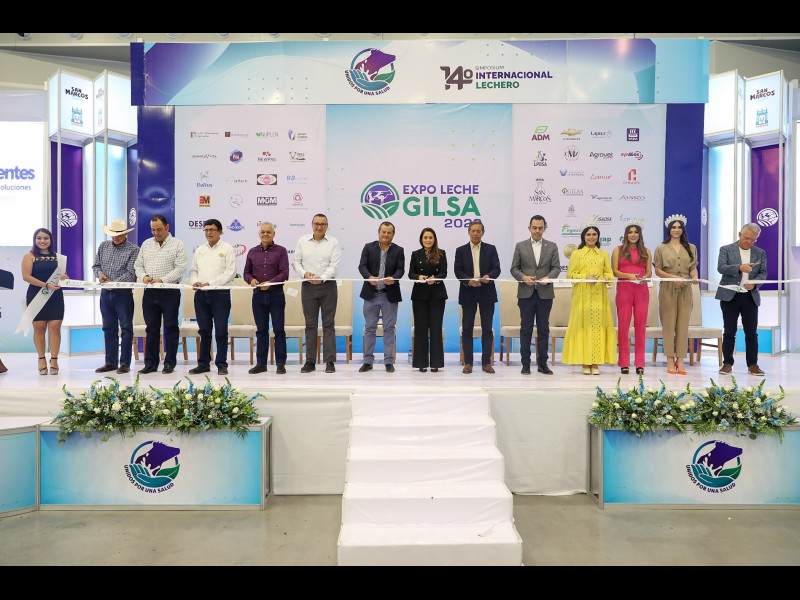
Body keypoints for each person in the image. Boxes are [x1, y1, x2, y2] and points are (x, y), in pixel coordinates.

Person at [133, 214, 188, 375]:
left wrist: (162, 280)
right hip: (149, 292)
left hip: (169, 291)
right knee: (151, 328)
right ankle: (150, 363)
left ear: (167, 228)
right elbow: (138, 265)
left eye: (159, 229)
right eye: (153, 230)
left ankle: (169, 363)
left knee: (170, 327)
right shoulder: (146, 244)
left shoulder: (178, 244)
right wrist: (144, 276)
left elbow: (180, 268)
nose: (156, 233)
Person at [562, 224, 616, 375]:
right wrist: (585, 277)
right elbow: (570, 275)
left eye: (594, 234)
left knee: (598, 327)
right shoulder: (576, 254)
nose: (591, 237)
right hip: (582, 295)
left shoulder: (603, 254)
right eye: (588, 234)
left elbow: (610, 275)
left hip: (599, 295)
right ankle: (585, 362)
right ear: (583, 237)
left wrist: (606, 277)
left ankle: (596, 363)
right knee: (584, 327)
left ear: (598, 237)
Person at [510, 215, 561, 375]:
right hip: (526, 294)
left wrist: (548, 278)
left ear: (544, 228)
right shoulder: (520, 246)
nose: (537, 230)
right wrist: (523, 277)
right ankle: (525, 364)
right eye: (534, 227)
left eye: (540, 228)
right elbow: (514, 269)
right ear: (529, 228)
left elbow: (556, 268)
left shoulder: (552, 246)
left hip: (545, 294)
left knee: (543, 329)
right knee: (526, 329)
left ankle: (543, 364)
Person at [716, 223, 767, 377]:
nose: (749, 242)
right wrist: (739, 267)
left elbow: (763, 273)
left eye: (753, 239)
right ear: (740, 234)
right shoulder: (726, 249)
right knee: (729, 331)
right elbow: (721, 267)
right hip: (729, 295)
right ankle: (727, 363)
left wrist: (755, 284)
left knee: (751, 332)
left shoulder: (760, 253)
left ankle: (752, 365)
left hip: (750, 297)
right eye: (746, 238)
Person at [293, 213, 342, 373]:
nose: (319, 227)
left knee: (328, 324)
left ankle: (330, 361)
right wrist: (306, 274)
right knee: (310, 325)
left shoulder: (334, 242)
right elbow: (296, 263)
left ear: (327, 226)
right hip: (308, 286)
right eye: (316, 224)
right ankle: (310, 362)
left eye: (323, 224)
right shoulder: (302, 241)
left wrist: (322, 278)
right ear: (312, 224)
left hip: (328, 286)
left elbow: (334, 265)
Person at [187, 218, 236, 376]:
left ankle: (221, 364)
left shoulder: (227, 249)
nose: (209, 233)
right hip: (201, 295)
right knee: (204, 331)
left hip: (220, 294)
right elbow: (193, 271)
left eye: (212, 230)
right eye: (206, 230)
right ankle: (203, 364)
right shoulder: (200, 250)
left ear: (220, 232)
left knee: (221, 331)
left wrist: (210, 283)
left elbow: (230, 272)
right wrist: (195, 282)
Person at [92, 218, 140, 375]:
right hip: (106, 293)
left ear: (125, 234)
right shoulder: (103, 246)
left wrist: (114, 283)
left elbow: (131, 273)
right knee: (108, 327)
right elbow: (96, 266)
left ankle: (125, 363)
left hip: (123, 293)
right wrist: (100, 275)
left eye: (119, 234)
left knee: (126, 328)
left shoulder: (134, 250)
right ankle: (110, 362)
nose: (116, 237)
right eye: (113, 234)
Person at [653, 214, 699, 375]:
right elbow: (658, 270)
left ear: (683, 229)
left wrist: (694, 277)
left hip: (686, 288)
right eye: (673, 227)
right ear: (669, 229)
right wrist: (672, 277)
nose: (676, 230)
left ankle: (680, 359)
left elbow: (692, 268)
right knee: (668, 324)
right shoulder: (661, 248)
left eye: (679, 227)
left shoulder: (691, 247)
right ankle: (670, 359)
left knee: (683, 324)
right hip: (667, 289)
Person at [453, 219, 501, 374]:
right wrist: (468, 281)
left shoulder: (491, 249)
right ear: (468, 232)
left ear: (483, 233)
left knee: (487, 329)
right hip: (468, 292)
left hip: (487, 292)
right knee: (467, 329)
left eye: (478, 231)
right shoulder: (460, 250)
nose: (475, 233)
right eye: (473, 231)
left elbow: (497, 269)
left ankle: (486, 363)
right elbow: (458, 271)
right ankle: (468, 363)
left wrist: (489, 276)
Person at [358, 221, 405, 373]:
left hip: (389, 295)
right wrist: (369, 277)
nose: (386, 234)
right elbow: (362, 266)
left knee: (389, 329)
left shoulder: (399, 250)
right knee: (370, 328)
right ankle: (367, 361)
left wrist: (394, 278)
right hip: (370, 295)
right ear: (379, 232)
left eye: (389, 232)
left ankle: (389, 362)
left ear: (393, 235)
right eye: (383, 232)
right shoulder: (368, 247)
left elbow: (401, 269)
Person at [21, 227, 68, 375]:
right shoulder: (29, 256)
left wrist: (64, 277)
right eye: (39, 238)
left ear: (50, 240)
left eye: (45, 238)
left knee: (55, 327)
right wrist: (46, 285)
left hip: (55, 296)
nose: (42, 241)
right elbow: (26, 277)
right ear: (35, 240)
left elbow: (63, 275)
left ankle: (54, 360)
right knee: (39, 328)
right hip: (36, 295)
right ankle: (41, 359)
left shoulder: (59, 258)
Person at [244, 222, 289, 375]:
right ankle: (261, 364)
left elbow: (284, 273)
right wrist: (251, 280)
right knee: (261, 331)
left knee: (279, 330)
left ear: (274, 234)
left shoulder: (281, 251)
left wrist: (270, 283)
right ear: (259, 234)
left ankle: (280, 364)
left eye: (268, 232)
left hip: (276, 295)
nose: (265, 234)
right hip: (258, 296)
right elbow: (246, 273)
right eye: (262, 232)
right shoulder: (252, 252)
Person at [611, 223, 652, 375]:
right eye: (630, 232)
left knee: (641, 327)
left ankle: (640, 363)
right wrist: (629, 276)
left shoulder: (646, 251)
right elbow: (614, 271)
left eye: (636, 232)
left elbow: (649, 272)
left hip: (641, 290)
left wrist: (644, 277)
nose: (633, 234)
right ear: (626, 234)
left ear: (640, 235)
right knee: (623, 327)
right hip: (624, 289)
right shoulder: (618, 250)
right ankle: (624, 363)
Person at [408, 227, 448, 372]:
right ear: (421, 239)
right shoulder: (415, 254)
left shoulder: (441, 253)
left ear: (434, 239)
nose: (428, 240)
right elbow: (410, 273)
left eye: (430, 237)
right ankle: (421, 363)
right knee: (420, 329)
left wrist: (435, 278)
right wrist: (418, 277)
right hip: (420, 296)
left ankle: (436, 363)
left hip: (437, 295)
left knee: (436, 329)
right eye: (425, 237)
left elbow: (444, 273)